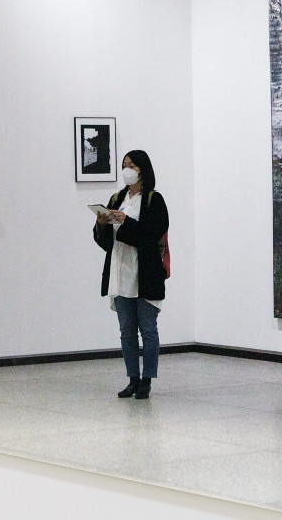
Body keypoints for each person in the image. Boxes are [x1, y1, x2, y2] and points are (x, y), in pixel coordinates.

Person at [93, 150, 168, 400]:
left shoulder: (154, 200)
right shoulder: (117, 198)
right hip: (120, 270)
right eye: (124, 165)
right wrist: (102, 224)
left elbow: (150, 236)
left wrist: (125, 222)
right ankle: (132, 378)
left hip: (145, 273)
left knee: (148, 329)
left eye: (132, 165)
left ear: (142, 169)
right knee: (126, 331)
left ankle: (147, 379)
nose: (127, 170)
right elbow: (106, 242)